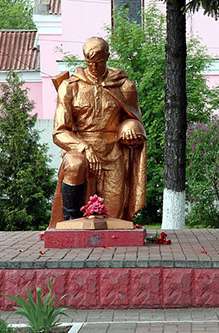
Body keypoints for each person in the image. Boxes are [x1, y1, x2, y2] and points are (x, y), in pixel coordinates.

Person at [48, 37, 146, 229]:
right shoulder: (70, 87)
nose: (93, 67)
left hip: (113, 152)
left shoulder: (124, 86)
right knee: (75, 163)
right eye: (89, 63)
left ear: (107, 57)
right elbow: (59, 131)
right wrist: (83, 147)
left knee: (114, 220)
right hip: (81, 148)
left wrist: (131, 128)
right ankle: (70, 222)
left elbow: (135, 119)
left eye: (99, 62)